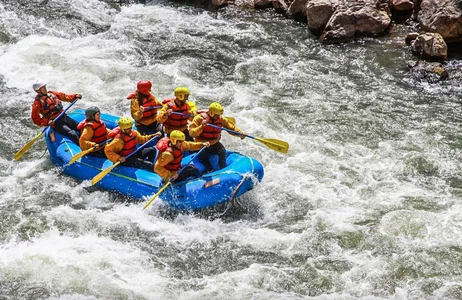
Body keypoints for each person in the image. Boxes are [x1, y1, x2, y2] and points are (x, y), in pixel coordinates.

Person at [189, 102, 245, 172]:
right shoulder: (199, 118)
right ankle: (208, 170)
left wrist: (240, 133)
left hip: (214, 142)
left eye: (219, 115)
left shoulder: (221, 119)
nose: (218, 116)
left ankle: (223, 169)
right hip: (201, 143)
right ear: (211, 112)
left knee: (222, 151)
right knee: (204, 155)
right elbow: (192, 133)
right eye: (216, 115)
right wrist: (201, 126)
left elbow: (231, 128)